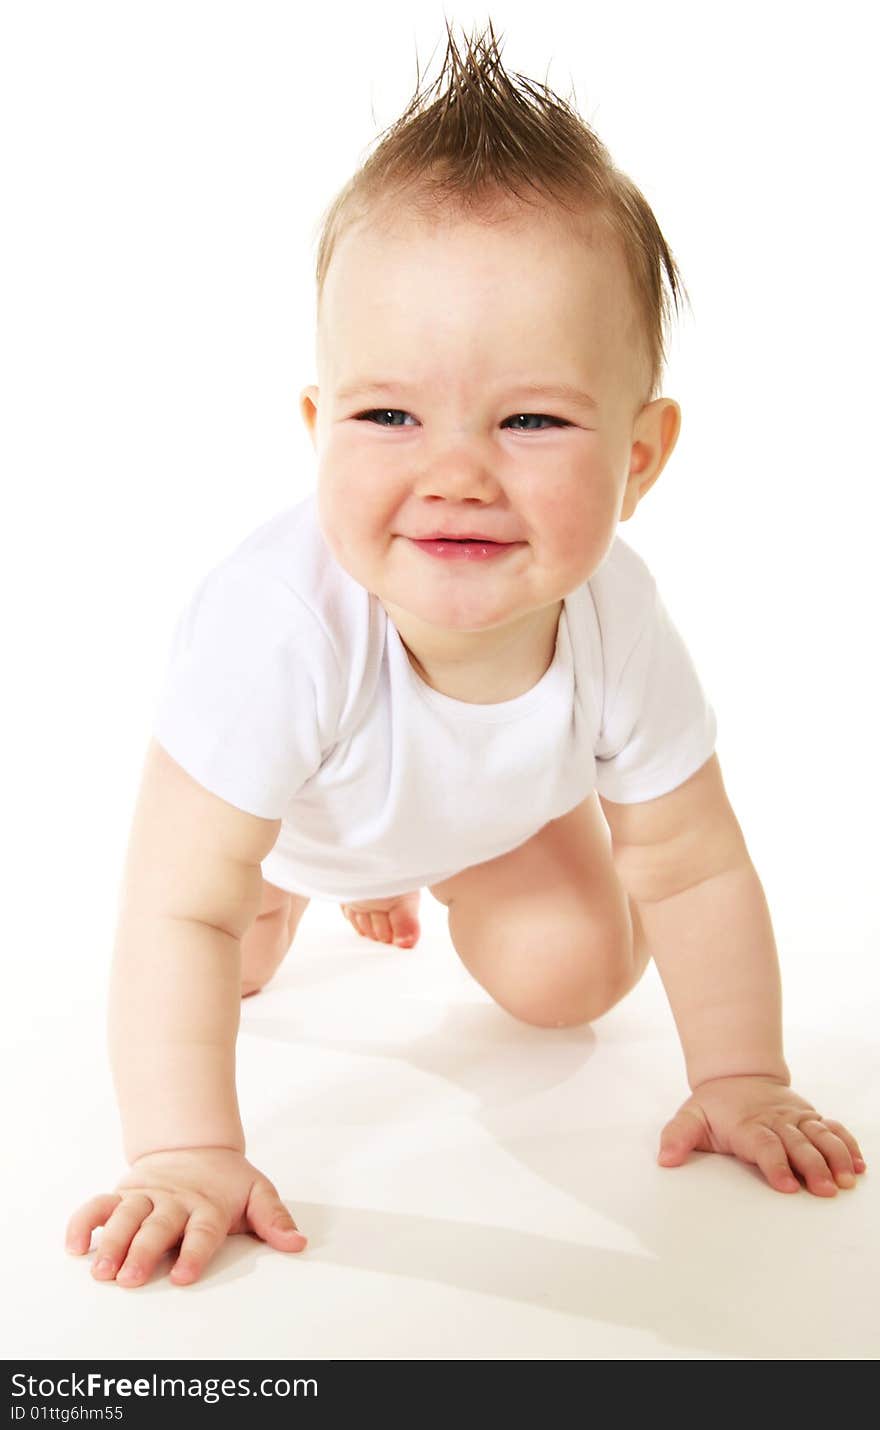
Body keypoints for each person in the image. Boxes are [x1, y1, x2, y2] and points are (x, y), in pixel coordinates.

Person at [65, 18, 865, 1290]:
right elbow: (174, 901)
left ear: (640, 458)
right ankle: (315, 886)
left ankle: (426, 862)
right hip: (278, 828)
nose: (456, 471)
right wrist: (184, 1152)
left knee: (574, 978)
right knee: (234, 950)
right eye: (388, 413)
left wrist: (740, 1075)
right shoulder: (276, 627)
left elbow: (694, 860)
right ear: (318, 424)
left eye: (532, 418)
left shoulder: (617, 615)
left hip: (482, 819)